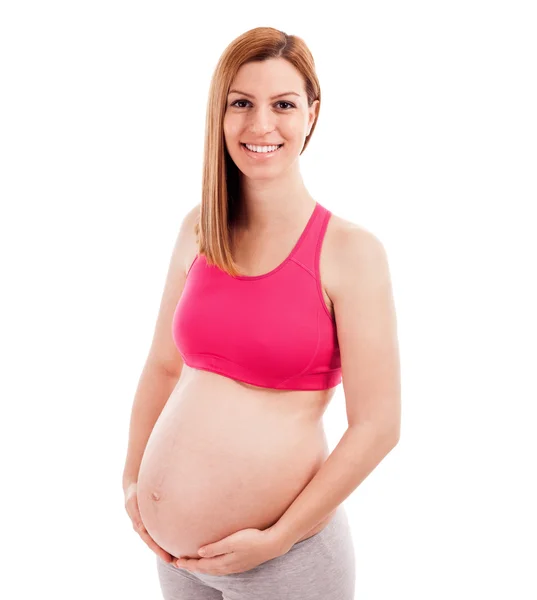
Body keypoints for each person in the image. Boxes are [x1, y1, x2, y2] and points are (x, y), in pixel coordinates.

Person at [123, 26, 400, 600]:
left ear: (312, 114)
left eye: (283, 105)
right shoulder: (199, 228)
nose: (261, 125)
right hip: (175, 560)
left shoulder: (351, 252)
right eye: (241, 103)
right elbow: (162, 368)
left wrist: (278, 538)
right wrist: (133, 482)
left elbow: (378, 426)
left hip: (284, 565)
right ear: (218, 114)